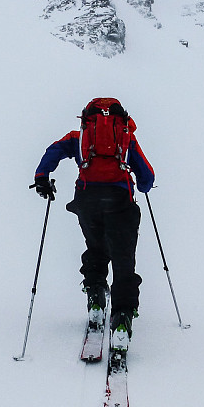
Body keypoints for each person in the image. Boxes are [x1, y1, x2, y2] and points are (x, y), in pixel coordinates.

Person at [31, 97, 155, 348]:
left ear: (87, 120)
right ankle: (122, 320)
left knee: (96, 248)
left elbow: (53, 150)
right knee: (123, 261)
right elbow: (147, 177)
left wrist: (42, 177)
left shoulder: (78, 137)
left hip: (88, 201)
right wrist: (141, 185)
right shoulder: (126, 138)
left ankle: (96, 300)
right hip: (120, 202)